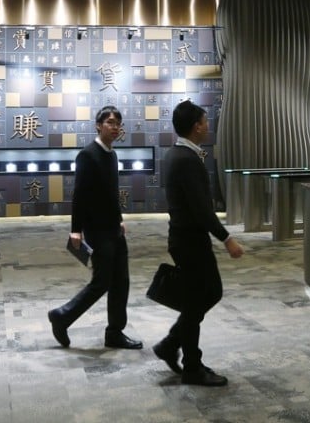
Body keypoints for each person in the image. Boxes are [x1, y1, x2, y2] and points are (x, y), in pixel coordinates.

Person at [153, 100, 244, 386]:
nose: (208, 126)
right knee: (203, 297)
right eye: (205, 121)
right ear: (196, 127)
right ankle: (191, 366)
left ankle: (171, 345)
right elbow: (202, 210)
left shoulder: (176, 154)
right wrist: (227, 239)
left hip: (184, 238)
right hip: (190, 241)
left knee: (202, 297)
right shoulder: (187, 160)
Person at [47, 106, 142, 350]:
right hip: (97, 230)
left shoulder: (112, 155)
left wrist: (119, 219)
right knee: (102, 282)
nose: (115, 127)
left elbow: (111, 192)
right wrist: (75, 229)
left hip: (113, 228)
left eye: (118, 123)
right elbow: (79, 194)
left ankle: (114, 332)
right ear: (98, 125)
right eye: (110, 122)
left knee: (121, 281)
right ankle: (62, 316)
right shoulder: (88, 155)